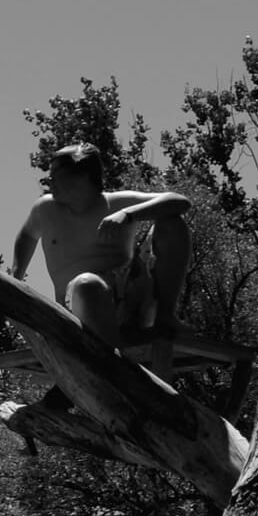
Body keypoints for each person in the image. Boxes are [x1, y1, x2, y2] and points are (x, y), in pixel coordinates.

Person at [12, 143, 190, 361]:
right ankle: (115, 363)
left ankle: (164, 317)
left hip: (129, 305)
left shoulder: (115, 203)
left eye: (55, 175)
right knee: (87, 284)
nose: (49, 182)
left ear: (82, 176)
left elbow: (179, 201)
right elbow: (27, 235)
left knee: (172, 223)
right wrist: (16, 278)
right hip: (81, 311)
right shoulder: (44, 209)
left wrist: (128, 214)